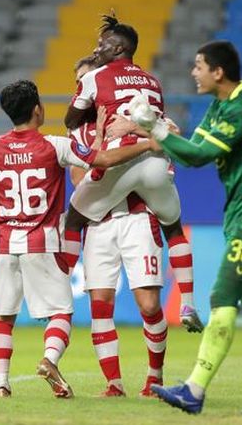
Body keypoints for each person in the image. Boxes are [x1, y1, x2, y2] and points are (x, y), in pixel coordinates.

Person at [132, 41, 242, 415]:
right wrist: (158, 129)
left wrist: (154, 129)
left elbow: (198, 155)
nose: (193, 73)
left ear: (218, 72)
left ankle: (194, 390)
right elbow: (190, 151)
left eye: (198, 66)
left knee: (221, 297)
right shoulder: (219, 106)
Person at [0, 80, 158, 399]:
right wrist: (148, 144)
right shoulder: (54, 146)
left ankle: (1, 384)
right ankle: (49, 360)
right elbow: (103, 161)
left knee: (3, 317)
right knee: (61, 313)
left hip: (5, 244)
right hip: (42, 242)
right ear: (38, 110)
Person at [61, 13, 203, 333]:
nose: (97, 49)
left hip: (121, 161)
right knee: (174, 226)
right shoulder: (153, 81)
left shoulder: (94, 78)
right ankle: (189, 302)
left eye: (102, 45)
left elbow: (71, 120)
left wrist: (90, 113)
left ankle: (59, 294)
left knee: (73, 217)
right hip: (156, 162)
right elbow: (164, 127)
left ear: (118, 48)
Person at [68, 57, 167, 398]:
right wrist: (97, 140)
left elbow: (172, 135)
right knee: (100, 303)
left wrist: (137, 135)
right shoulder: (76, 134)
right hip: (100, 226)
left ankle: (155, 377)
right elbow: (82, 186)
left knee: (150, 305)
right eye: (79, 83)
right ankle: (114, 383)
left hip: (139, 217)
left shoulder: (138, 115)